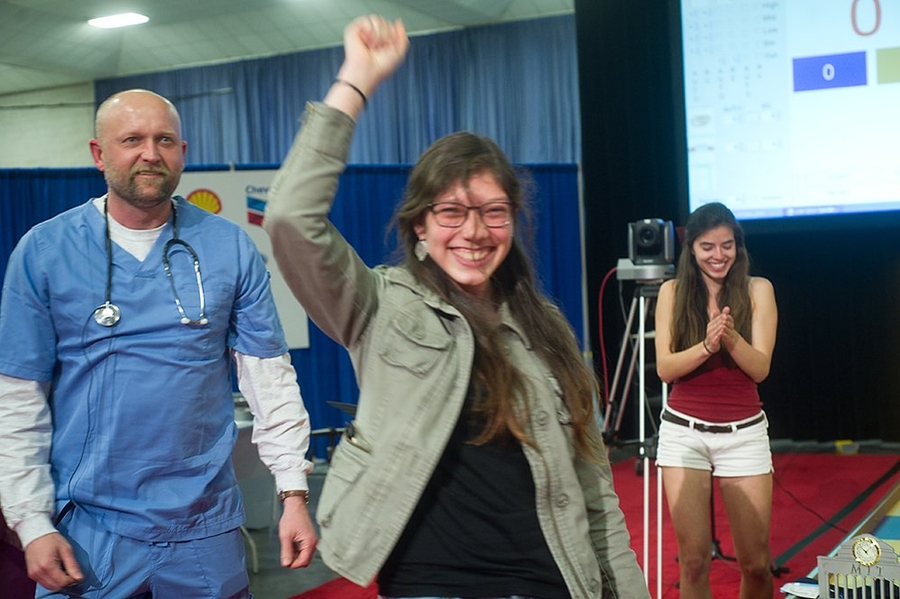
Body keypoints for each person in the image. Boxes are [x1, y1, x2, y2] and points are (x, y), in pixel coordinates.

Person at [264, 14, 650, 599]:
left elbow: (594, 489)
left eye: (493, 212)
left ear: (513, 221)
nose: (474, 231)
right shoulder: (379, 305)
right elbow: (291, 218)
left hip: (550, 579)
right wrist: (357, 79)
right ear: (420, 225)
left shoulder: (547, 331)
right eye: (451, 212)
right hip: (432, 580)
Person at [0, 88, 318, 597]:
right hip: (88, 527)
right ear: (99, 154)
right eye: (132, 139)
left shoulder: (229, 245)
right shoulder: (43, 252)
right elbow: (17, 400)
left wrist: (293, 492)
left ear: (183, 152)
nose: (150, 153)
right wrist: (31, 521)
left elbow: (269, 377)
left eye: (164, 139)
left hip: (204, 527)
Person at [653, 202, 778, 598]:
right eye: (708, 246)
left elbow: (760, 369)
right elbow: (665, 368)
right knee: (692, 562)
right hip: (683, 435)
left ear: (737, 246)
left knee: (757, 565)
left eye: (727, 245)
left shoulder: (759, 289)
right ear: (691, 247)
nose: (718, 255)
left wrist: (731, 338)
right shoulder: (671, 292)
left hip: (744, 435)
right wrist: (707, 346)